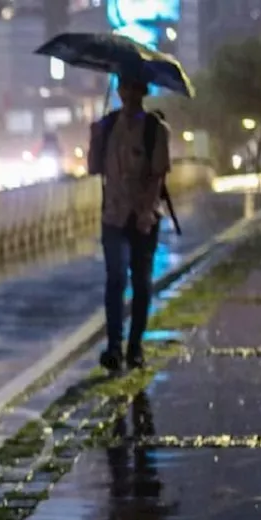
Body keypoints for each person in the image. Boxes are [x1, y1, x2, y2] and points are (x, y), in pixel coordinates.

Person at [87, 72, 171, 372]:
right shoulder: (107, 126)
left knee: (141, 282)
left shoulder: (155, 129)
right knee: (116, 279)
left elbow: (158, 175)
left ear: (143, 90)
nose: (129, 92)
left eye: (135, 86)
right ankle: (114, 347)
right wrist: (95, 139)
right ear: (119, 90)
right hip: (113, 216)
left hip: (143, 218)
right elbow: (94, 169)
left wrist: (147, 212)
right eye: (125, 86)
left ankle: (135, 347)